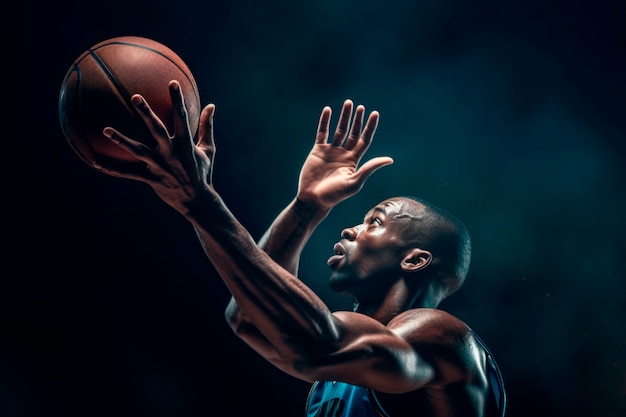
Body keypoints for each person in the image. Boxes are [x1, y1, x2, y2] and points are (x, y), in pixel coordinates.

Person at [98, 80, 506, 417]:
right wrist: (307, 206)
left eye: (374, 223)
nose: (350, 229)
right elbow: (248, 318)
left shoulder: (441, 338)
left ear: (415, 259)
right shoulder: (343, 367)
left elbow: (315, 343)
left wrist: (200, 202)